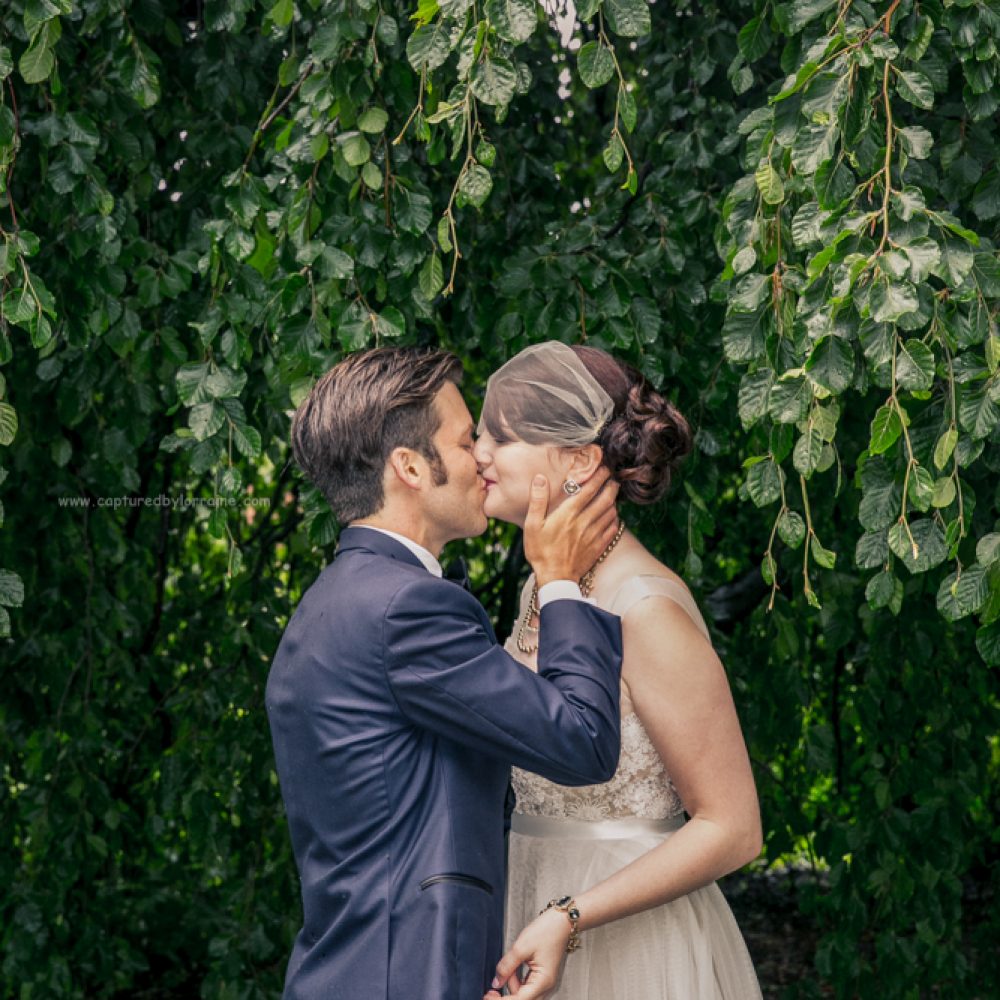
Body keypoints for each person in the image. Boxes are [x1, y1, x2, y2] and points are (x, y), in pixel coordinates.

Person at [265, 346, 627, 1000]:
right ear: (409, 466)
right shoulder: (409, 608)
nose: (483, 458)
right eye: (466, 441)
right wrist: (560, 579)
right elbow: (583, 740)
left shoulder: (330, 602)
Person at [475, 341, 763, 1000]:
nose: (478, 451)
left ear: (577, 459)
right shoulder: (548, 585)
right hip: (530, 900)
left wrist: (571, 916)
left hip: (630, 943)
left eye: (501, 436)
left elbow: (734, 827)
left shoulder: (645, 609)